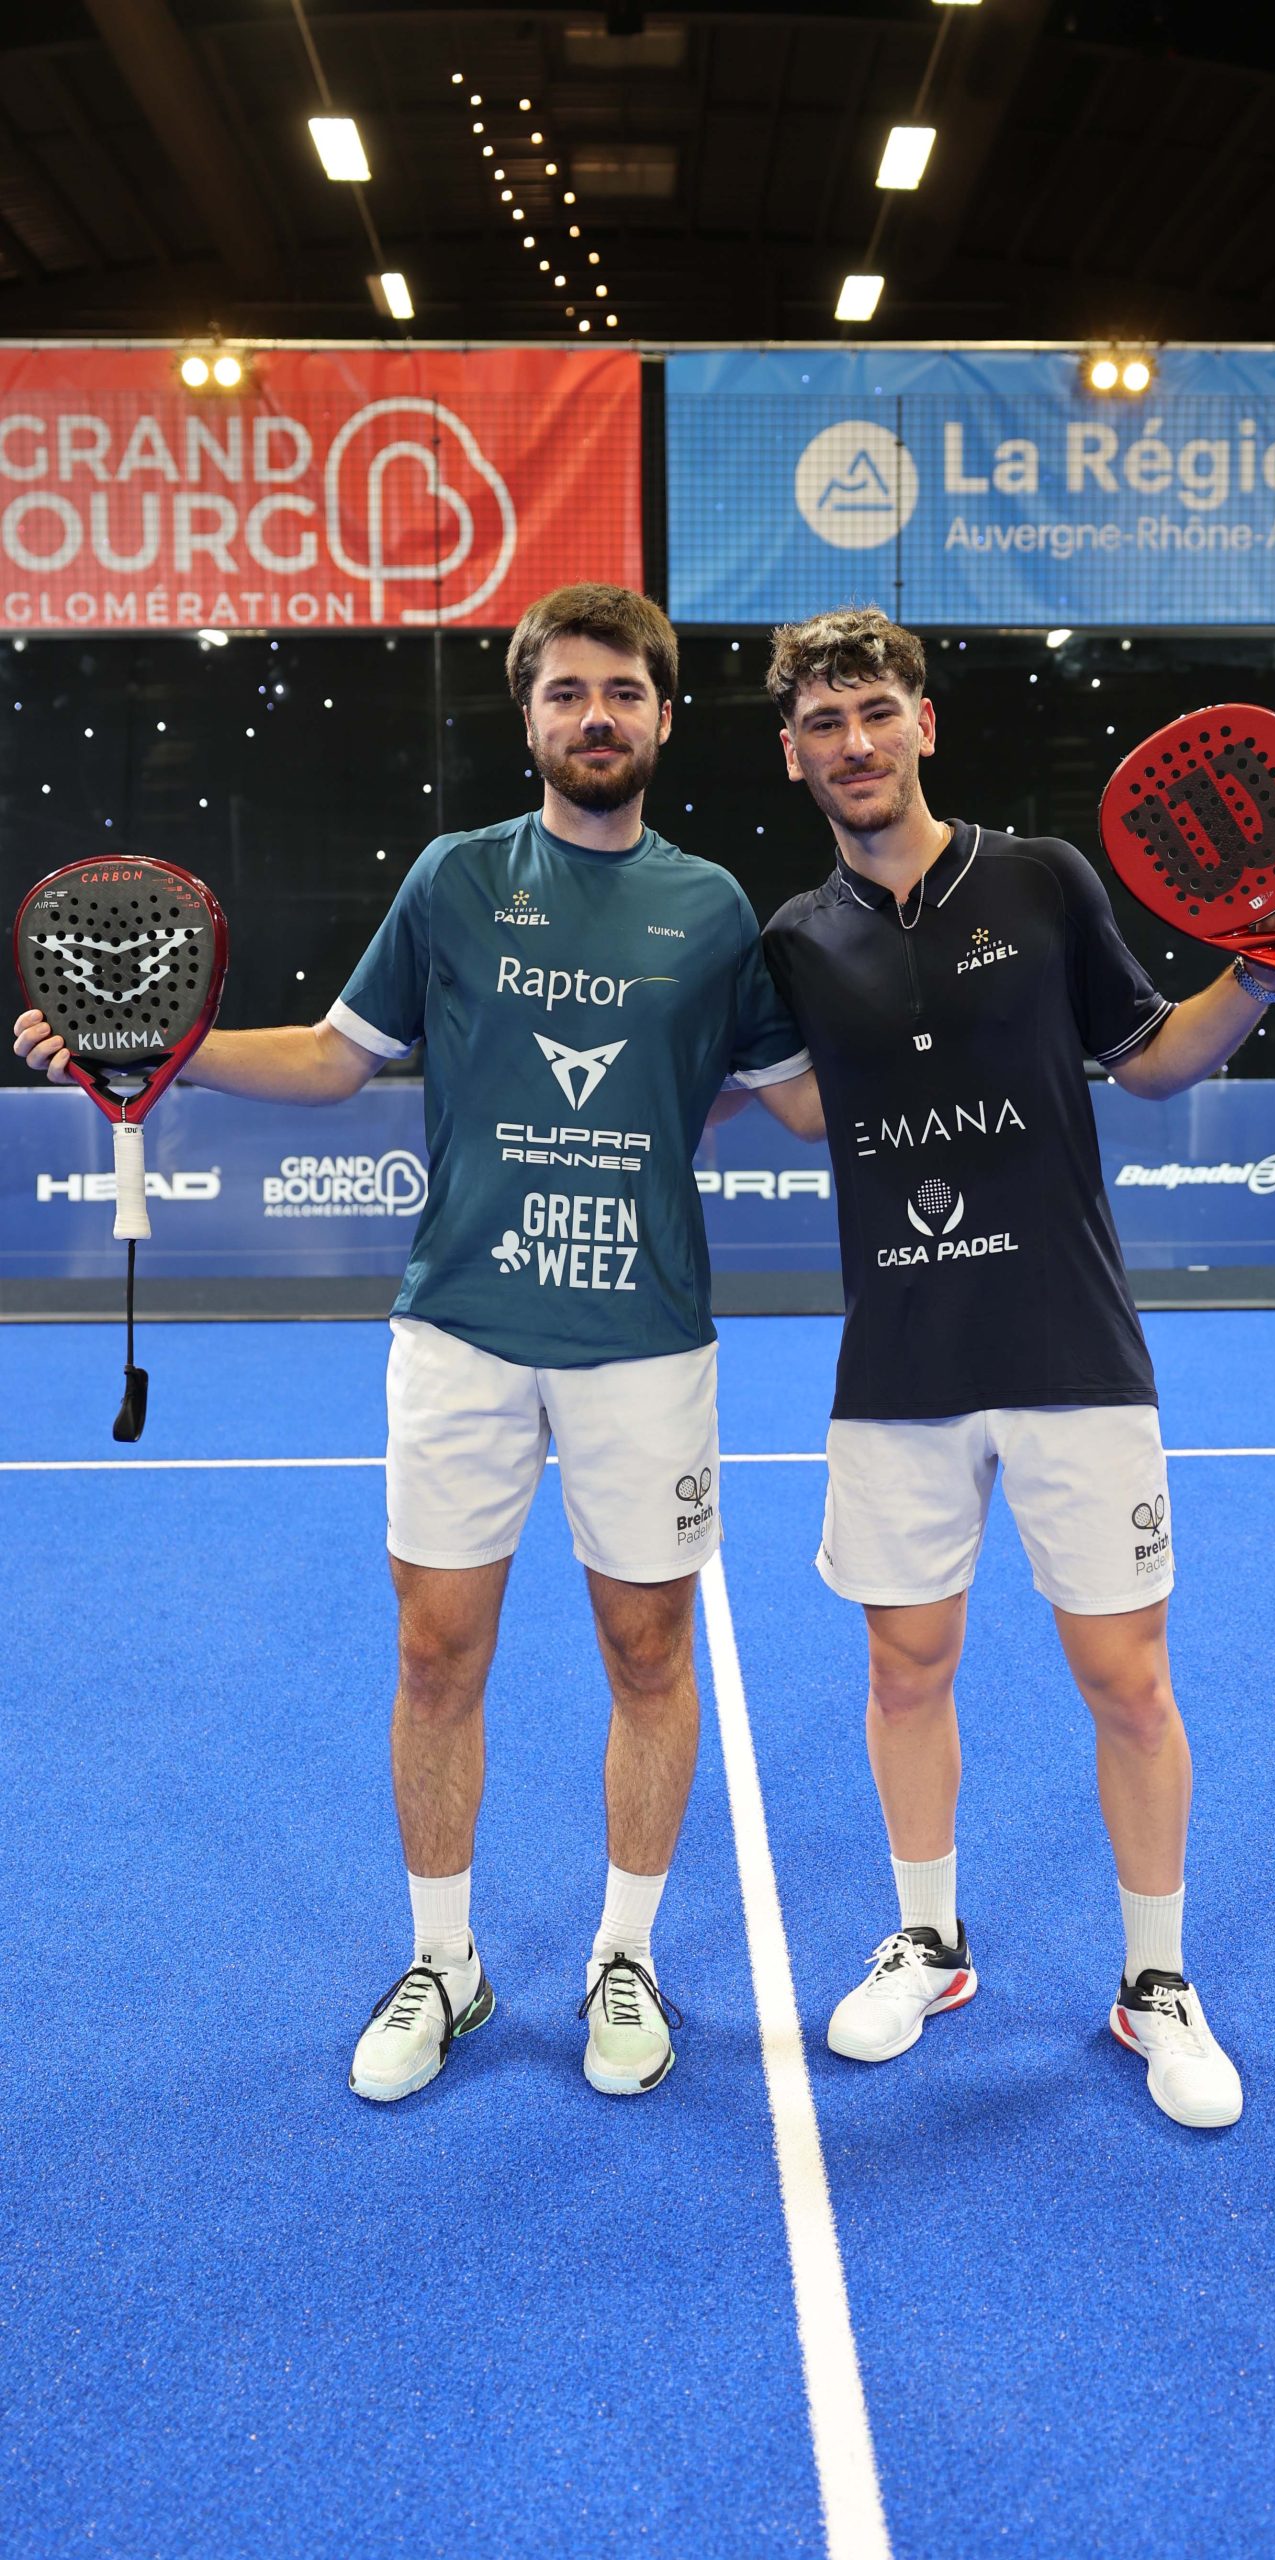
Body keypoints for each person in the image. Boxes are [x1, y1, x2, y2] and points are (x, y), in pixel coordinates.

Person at [13, 584, 818, 2105]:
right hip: (458, 1332)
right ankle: (444, 1963)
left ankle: (623, 1954)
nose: (595, 716)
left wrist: (985, 1037)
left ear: (661, 717)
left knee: (648, 1654)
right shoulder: (454, 879)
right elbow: (337, 1058)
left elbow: (795, 1098)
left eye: (622, 692)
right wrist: (160, 1053)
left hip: (645, 1342)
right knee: (436, 1651)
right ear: (528, 718)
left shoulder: (714, 907)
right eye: (566, 691)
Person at [748, 606, 1275, 2130]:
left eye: (874, 710)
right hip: (898, 1361)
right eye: (822, 723)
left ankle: (1155, 1984)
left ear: (923, 722)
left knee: (1126, 1680)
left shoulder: (1039, 877)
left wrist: (1260, 974)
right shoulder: (792, 940)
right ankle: (929, 1943)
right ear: (792, 754)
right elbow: (799, 1111)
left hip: (1070, 1346)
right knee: (904, 1666)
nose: (854, 743)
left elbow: (1147, 1062)